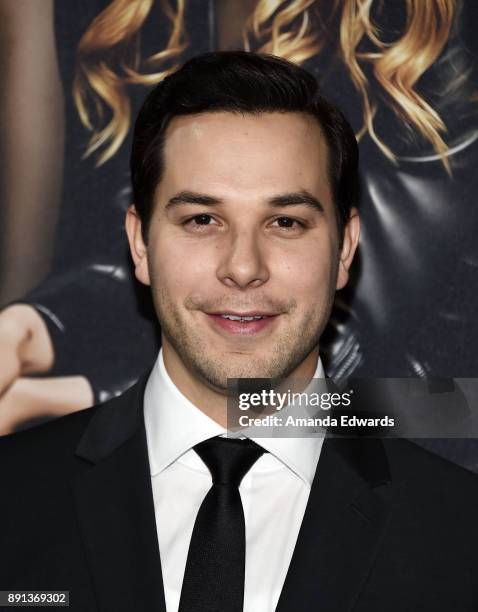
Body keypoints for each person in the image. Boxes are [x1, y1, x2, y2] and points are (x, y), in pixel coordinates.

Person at [1, 51, 477, 612]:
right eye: (202, 219)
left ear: (345, 248)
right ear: (140, 244)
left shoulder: (461, 533)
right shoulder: (12, 499)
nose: (244, 266)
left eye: (286, 222)